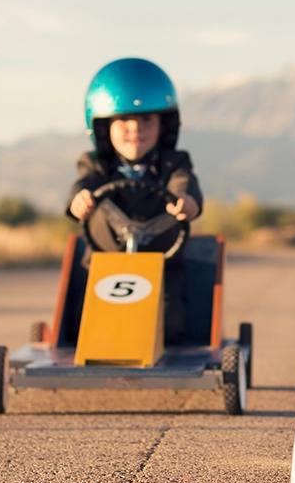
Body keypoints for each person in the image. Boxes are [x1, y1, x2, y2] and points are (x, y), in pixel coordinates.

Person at [67, 57, 202, 344]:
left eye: (146, 120)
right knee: (83, 324)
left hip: (161, 266)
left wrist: (185, 201)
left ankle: (163, 343)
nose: (135, 128)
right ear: (104, 128)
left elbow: (184, 184)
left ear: (164, 125)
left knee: (172, 325)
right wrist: (79, 201)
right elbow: (83, 186)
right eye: (124, 120)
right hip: (104, 266)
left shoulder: (174, 163)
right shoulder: (95, 165)